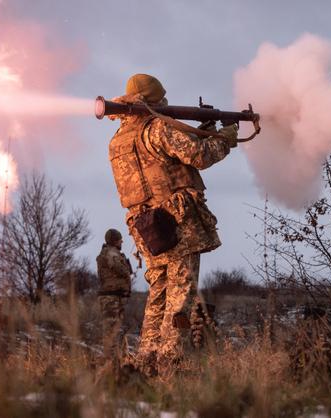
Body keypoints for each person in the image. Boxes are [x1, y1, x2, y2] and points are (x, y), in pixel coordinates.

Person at [107, 73, 238, 375]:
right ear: (154, 99)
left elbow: (161, 163)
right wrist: (225, 140)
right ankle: (171, 362)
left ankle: (147, 360)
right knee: (182, 293)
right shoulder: (157, 128)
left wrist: (201, 132)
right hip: (176, 221)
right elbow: (199, 156)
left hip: (144, 226)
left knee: (159, 293)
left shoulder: (118, 140)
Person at [96, 228, 133, 368]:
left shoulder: (108, 252)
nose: (122, 241)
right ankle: (110, 364)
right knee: (111, 331)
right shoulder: (111, 253)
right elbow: (117, 267)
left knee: (114, 330)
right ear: (115, 241)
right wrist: (125, 267)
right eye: (120, 239)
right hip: (110, 298)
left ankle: (115, 362)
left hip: (113, 297)